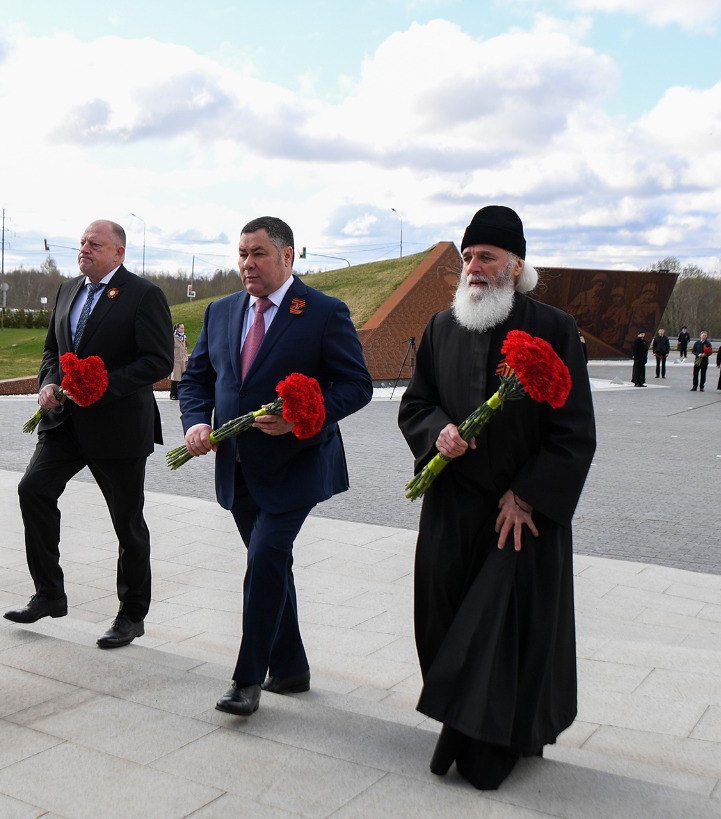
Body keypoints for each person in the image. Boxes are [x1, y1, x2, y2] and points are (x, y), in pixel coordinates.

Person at [398, 205, 595, 790]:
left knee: (501, 629)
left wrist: (529, 497)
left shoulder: (553, 329)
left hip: (519, 518)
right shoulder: (441, 326)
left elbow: (574, 431)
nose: (473, 267)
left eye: (486, 256)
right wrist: (438, 432)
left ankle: (494, 741)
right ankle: (463, 727)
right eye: (467, 258)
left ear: (516, 263)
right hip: (453, 506)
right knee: (443, 619)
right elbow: (415, 404)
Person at [179, 216, 372, 717]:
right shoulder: (221, 312)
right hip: (237, 466)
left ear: (288, 256)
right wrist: (196, 423)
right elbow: (197, 379)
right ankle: (291, 666)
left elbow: (356, 385)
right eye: (242, 253)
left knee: (264, 558)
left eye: (259, 253)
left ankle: (248, 680)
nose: (247, 264)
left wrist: (303, 418)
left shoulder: (324, 312)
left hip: (298, 465)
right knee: (272, 565)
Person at [8, 220, 173, 652]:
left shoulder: (143, 295)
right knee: (33, 490)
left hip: (117, 426)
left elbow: (158, 362)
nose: (85, 249)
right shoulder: (67, 290)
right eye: (82, 242)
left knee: (127, 524)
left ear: (118, 253)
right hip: (64, 422)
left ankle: (132, 614)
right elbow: (51, 350)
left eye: (95, 244)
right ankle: (49, 593)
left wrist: (101, 385)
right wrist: (47, 382)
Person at [169, 323, 188, 400]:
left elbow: (185, 348)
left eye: (183, 328)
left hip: (182, 360)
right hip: (176, 360)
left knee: (182, 378)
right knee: (175, 378)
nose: (183, 330)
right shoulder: (173, 338)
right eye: (181, 328)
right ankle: (173, 394)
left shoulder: (184, 337)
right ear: (177, 329)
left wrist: (186, 358)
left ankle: (181, 394)